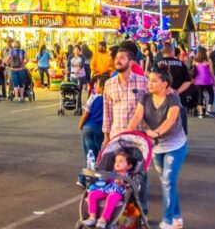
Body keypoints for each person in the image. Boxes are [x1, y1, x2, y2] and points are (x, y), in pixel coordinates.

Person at [128, 68, 187, 229]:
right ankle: (177, 217)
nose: (150, 84)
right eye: (149, 80)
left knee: (168, 181)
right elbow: (137, 116)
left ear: (164, 83)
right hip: (156, 147)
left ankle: (168, 221)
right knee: (168, 183)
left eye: (154, 81)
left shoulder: (173, 98)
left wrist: (156, 132)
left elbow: (171, 119)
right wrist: (127, 132)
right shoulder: (145, 98)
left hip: (175, 145)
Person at [101, 45, 149, 215]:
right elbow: (107, 111)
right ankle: (118, 214)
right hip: (116, 138)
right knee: (116, 178)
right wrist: (106, 137)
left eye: (122, 58)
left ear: (131, 62)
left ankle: (141, 213)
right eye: (116, 58)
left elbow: (151, 107)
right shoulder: (109, 84)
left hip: (137, 139)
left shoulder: (143, 82)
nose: (118, 60)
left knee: (139, 178)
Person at [82, 151, 135, 229]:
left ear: (129, 166)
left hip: (118, 192)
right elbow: (105, 181)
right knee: (92, 194)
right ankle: (92, 217)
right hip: (107, 189)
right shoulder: (111, 173)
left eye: (121, 161)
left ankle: (103, 219)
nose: (117, 163)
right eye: (116, 161)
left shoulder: (128, 175)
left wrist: (122, 182)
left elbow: (129, 185)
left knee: (112, 197)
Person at [154, 44, 192, 132]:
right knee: (181, 125)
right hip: (179, 98)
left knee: (161, 124)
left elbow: (153, 80)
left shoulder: (157, 64)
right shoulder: (181, 64)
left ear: (163, 52)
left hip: (161, 98)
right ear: (172, 52)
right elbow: (188, 81)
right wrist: (178, 91)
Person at [80, 78, 105, 162]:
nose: (95, 86)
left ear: (102, 87)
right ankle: (99, 171)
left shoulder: (93, 97)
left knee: (89, 153)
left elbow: (85, 114)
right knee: (100, 153)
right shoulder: (109, 100)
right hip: (102, 129)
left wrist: (81, 125)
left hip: (88, 127)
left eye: (97, 84)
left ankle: (90, 170)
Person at [190, 48, 215, 118]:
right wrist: (213, 80)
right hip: (207, 80)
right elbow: (211, 72)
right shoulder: (208, 60)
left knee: (200, 96)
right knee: (211, 94)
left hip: (197, 81)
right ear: (205, 53)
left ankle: (201, 113)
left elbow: (193, 70)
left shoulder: (195, 61)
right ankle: (209, 111)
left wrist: (192, 79)